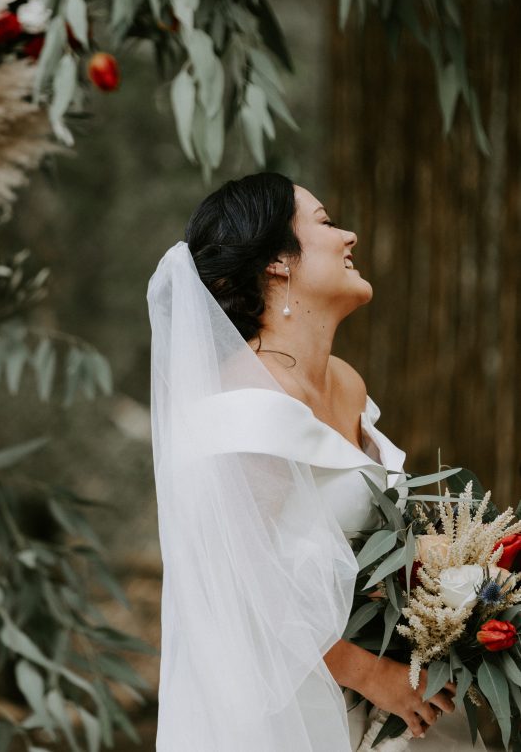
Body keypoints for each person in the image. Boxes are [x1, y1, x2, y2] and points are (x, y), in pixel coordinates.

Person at [147, 172, 483, 751]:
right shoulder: (246, 408)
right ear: (277, 260)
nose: (349, 235)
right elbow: (236, 597)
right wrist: (372, 675)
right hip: (277, 711)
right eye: (326, 223)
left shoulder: (346, 383)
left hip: (364, 708)